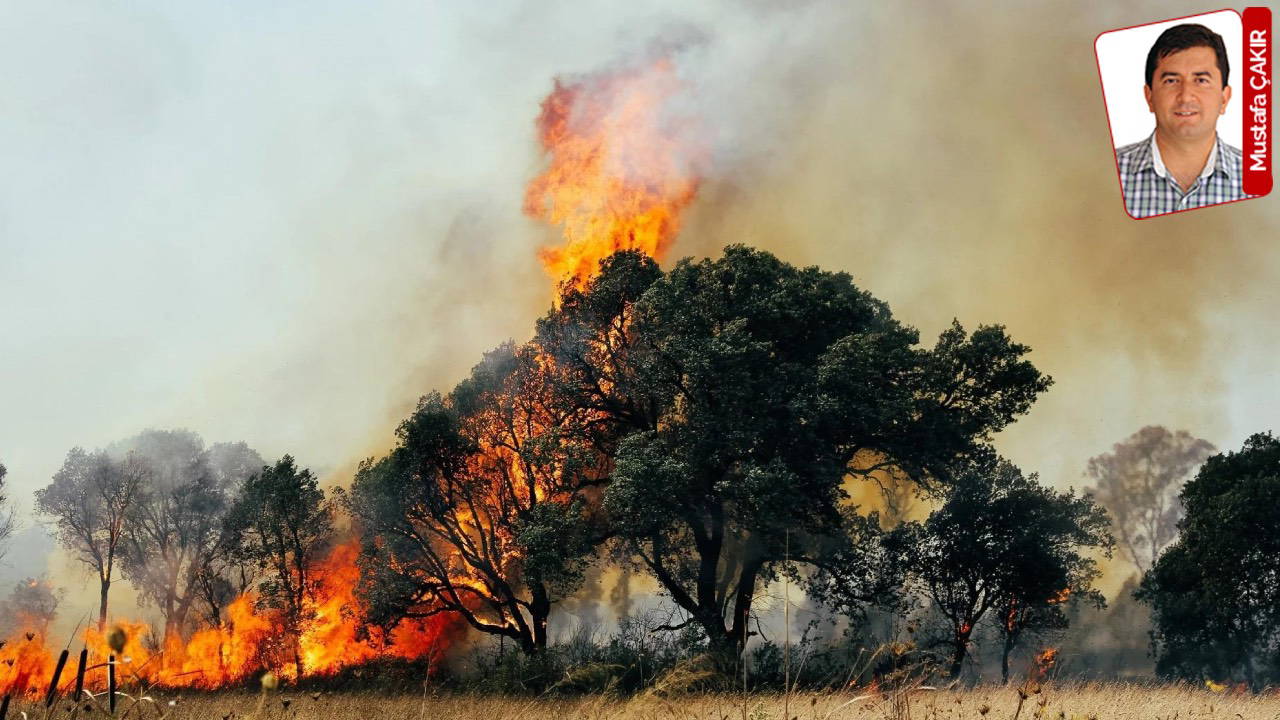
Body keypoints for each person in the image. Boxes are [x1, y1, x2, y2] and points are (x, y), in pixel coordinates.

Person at [1115, 24, 1247, 218]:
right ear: (1149, 96)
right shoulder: (1104, 175)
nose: (1185, 97)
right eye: (1171, 81)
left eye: (1201, 80)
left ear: (1224, 98)